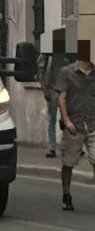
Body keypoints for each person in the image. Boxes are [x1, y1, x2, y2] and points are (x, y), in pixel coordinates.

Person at [57, 39, 95, 212]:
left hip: (93, 123)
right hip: (74, 124)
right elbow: (62, 98)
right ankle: (66, 194)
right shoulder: (67, 72)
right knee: (69, 162)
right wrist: (66, 120)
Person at [39, 30, 70, 158]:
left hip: (65, 90)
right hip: (52, 90)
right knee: (52, 119)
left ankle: (69, 146)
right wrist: (45, 89)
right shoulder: (47, 53)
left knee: (67, 119)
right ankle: (52, 148)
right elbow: (40, 71)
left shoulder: (68, 52)